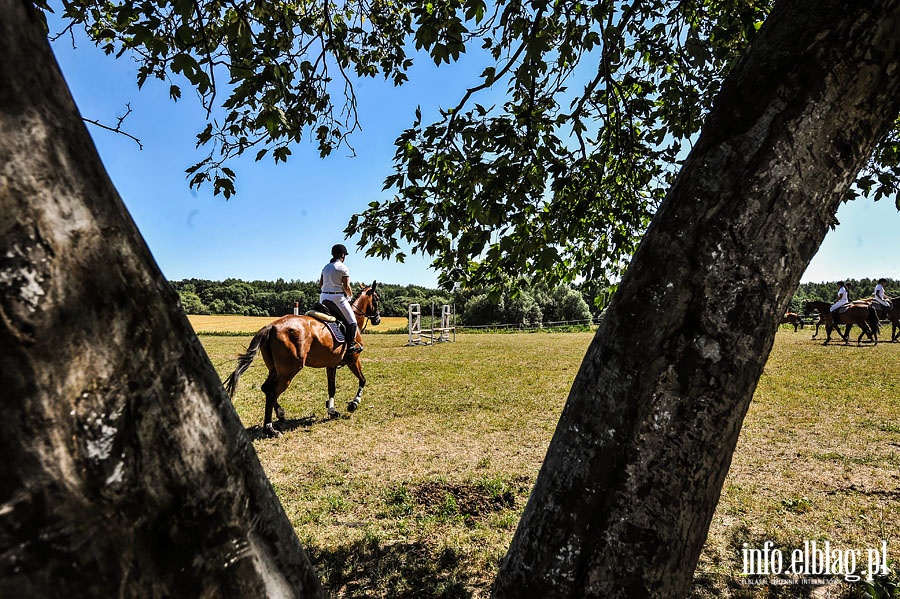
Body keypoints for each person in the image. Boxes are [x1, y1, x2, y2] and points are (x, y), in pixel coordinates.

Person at [318, 243, 363, 354]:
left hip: (323, 297)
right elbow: (347, 287)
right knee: (353, 322)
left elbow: (320, 284)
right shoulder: (343, 268)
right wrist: (350, 296)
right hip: (337, 298)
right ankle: (351, 346)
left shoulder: (325, 267)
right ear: (342, 255)